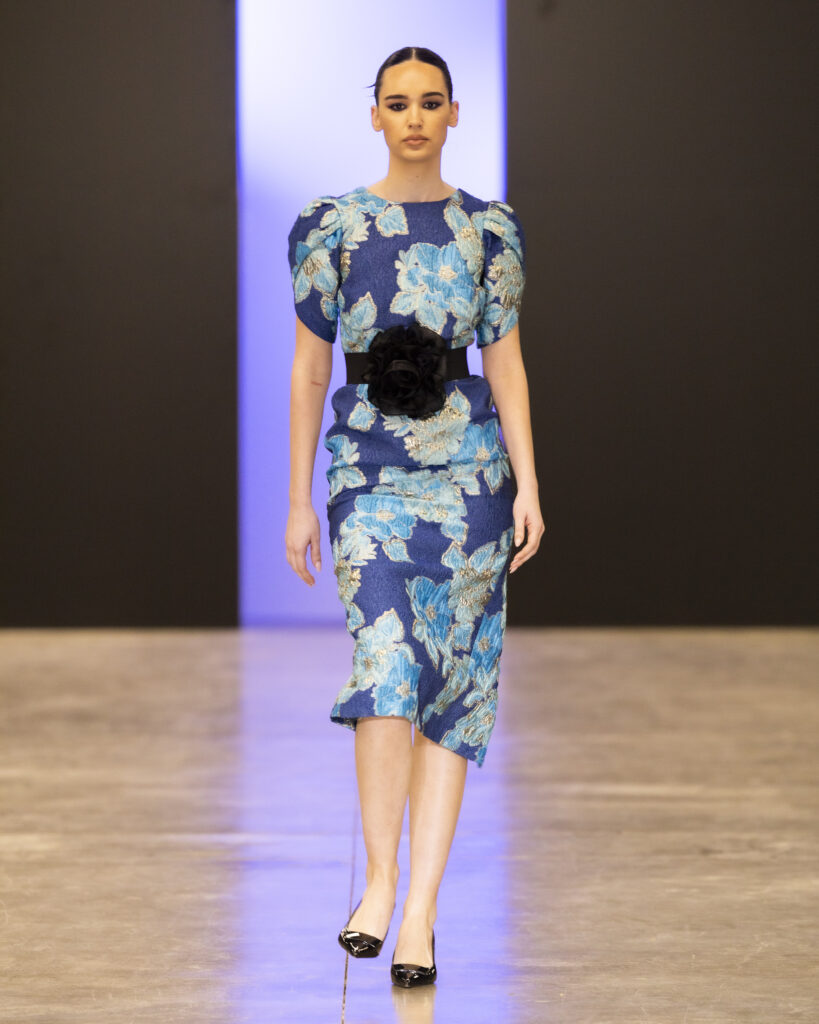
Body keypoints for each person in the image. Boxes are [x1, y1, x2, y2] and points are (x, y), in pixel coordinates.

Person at [285, 45, 545, 988]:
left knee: (452, 690)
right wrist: (297, 499)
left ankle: (421, 915)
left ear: (453, 113)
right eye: (397, 103)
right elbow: (310, 367)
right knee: (388, 663)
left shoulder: (489, 230)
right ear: (374, 115)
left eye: (430, 102)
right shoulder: (331, 227)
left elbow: (505, 362)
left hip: (469, 476)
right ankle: (380, 882)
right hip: (367, 470)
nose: (414, 119)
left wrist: (528, 483)